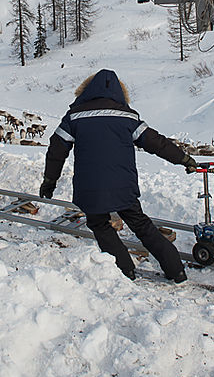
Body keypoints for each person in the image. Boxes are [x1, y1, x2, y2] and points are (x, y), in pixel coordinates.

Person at [41, 69, 198, 282]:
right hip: (123, 184)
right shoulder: (128, 117)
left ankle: (125, 269)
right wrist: (184, 159)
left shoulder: (75, 117)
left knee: (99, 224)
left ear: (86, 90)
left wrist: (50, 181)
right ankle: (176, 270)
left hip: (91, 186)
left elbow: (56, 150)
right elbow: (157, 143)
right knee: (141, 224)